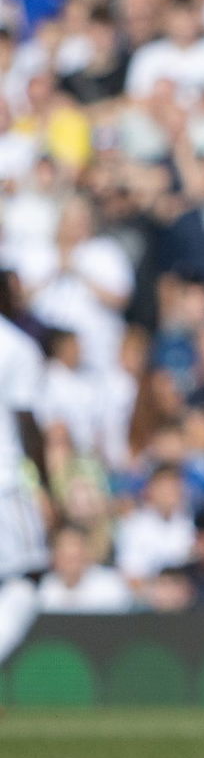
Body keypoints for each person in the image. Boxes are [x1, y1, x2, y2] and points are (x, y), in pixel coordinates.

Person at [0, 272, 48, 667]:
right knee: (28, 580)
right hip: (4, 483)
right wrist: (47, 484)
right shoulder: (16, 346)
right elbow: (27, 423)